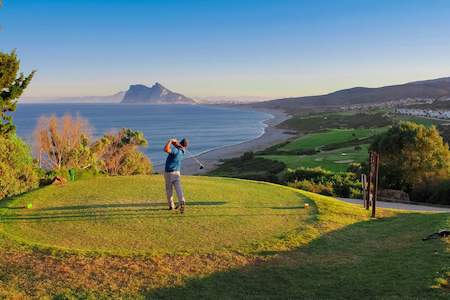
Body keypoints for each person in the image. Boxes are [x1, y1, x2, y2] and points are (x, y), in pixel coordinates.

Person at [163, 138, 188, 213]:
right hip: (177, 173)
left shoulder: (175, 150)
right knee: (178, 188)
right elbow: (178, 146)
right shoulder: (183, 151)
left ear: (180, 143)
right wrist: (175, 142)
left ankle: (171, 205)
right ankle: (182, 201)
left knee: (169, 190)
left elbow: (166, 149)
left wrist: (170, 141)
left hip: (169, 173)